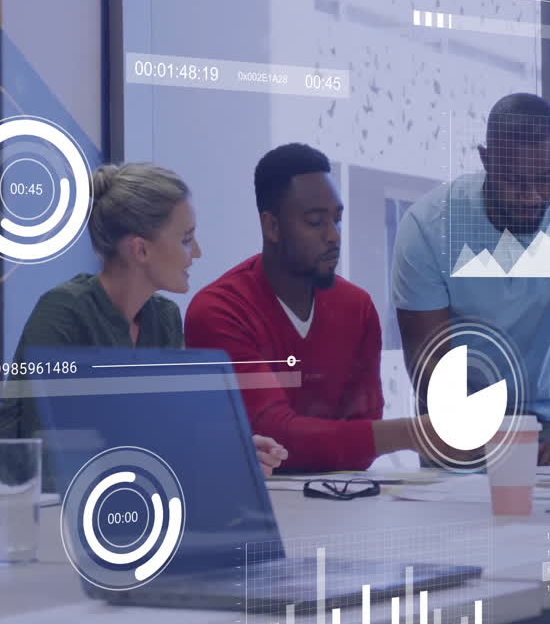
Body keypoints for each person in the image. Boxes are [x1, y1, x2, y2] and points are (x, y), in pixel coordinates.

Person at [0, 163, 287, 495]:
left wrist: (228, 452)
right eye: (186, 238)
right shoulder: (64, 312)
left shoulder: (163, 319)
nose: (196, 252)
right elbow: (52, 448)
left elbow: (168, 433)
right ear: (141, 249)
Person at [185, 143, 447, 473]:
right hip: (255, 511)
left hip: (341, 504)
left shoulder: (358, 308)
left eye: (337, 220)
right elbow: (274, 435)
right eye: (314, 222)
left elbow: (362, 446)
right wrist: (417, 433)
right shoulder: (219, 311)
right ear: (272, 227)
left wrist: (358, 440)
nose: (333, 236)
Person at [392, 93, 550, 467]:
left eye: (544, 180)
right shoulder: (427, 226)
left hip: (544, 420)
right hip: (454, 424)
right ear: (486, 159)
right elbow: (427, 359)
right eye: (514, 181)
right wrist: (483, 445)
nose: (532, 197)